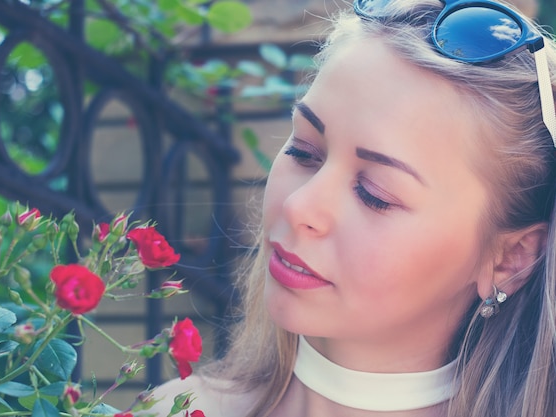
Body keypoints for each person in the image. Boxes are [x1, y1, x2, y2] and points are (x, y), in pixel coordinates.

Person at [139, 0, 556, 415]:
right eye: (304, 152)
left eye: (376, 194)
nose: (300, 206)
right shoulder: (170, 409)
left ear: (511, 260)